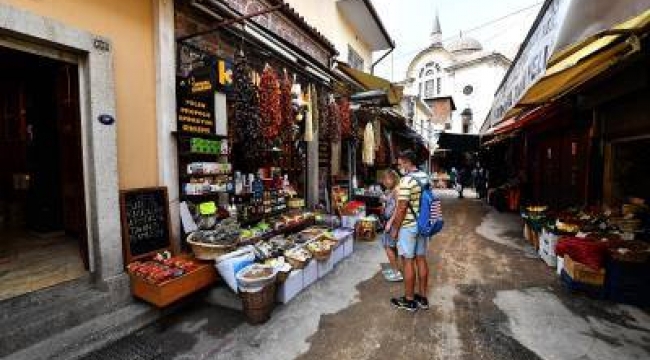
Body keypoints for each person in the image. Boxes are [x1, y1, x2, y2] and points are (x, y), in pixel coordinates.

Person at [389, 150, 431, 312]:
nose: (399, 167)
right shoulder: (424, 177)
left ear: (407, 163)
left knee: (408, 260)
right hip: (422, 224)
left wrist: (395, 228)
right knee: (421, 258)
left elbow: (401, 208)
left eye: (400, 163)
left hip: (409, 226)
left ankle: (409, 300)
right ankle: (422, 298)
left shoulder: (406, 181)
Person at [380, 169, 403, 282]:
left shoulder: (397, 190)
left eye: (386, 179)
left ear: (393, 178)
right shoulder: (392, 190)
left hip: (392, 222)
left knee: (387, 246)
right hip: (390, 221)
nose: (384, 181)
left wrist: (390, 222)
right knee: (392, 245)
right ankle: (396, 269)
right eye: (383, 179)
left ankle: (396, 272)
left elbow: (399, 208)